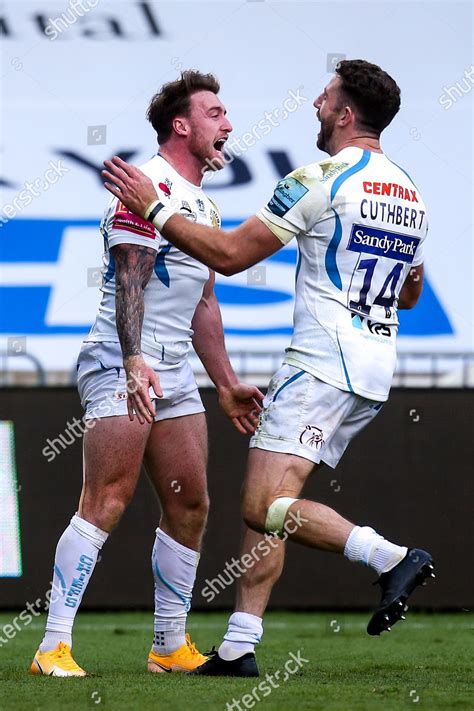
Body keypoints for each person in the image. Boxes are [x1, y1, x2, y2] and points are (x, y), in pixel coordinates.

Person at [101, 59, 435, 678]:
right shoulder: (408, 189)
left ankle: (390, 557)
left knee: (261, 507)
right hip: (373, 370)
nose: (314, 102)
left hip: (320, 362)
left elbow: (228, 258)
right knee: (275, 499)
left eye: (326, 96)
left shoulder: (320, 177)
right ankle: (238, 646)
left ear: (346, 113)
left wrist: (155, 209)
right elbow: (410, 295)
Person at [31, 70, 264, 677]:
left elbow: (204, 304)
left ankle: (167, 646)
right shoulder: (146, 186)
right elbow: (131, 276)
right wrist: (133, 361)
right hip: (120, 356)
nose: (229, 124)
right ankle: (51, 646)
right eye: (216, 113)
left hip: (177, 369)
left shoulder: (204, 204)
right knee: (106, 498)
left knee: (190, 504)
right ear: (182, 125)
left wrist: (227, 382)